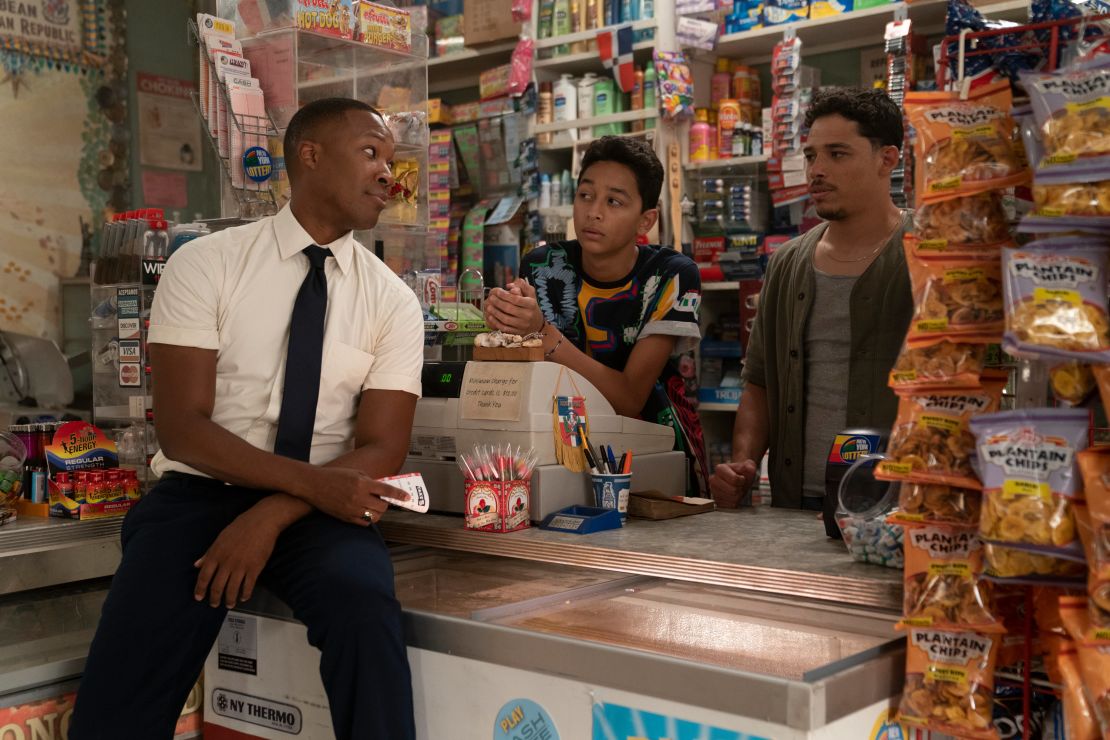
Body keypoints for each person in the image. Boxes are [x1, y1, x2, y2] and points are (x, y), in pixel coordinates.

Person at [70, 98, 424, 739]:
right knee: (117, 705)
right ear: (309, 157)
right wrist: (296, 492)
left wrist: (272, 512)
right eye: (371, 154)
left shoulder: (392, 302)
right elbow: (183, 428)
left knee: (364, 611)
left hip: (319, 511)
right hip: (201, 495)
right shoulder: (206, 265)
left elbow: (382, 446)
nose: (388, 176)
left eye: (390, 161)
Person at [709, 87, 913, 510]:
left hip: (895, 507)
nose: (817, 170)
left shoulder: (926, 254)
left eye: (837, 154)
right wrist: (743, 464)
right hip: (794, 503)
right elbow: (759, 383)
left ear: (887, 159)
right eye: (811, 155)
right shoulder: (787, 264)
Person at [484, 136, 708, 495]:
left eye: (614, 201)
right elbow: (526, 371)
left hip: (651, 455)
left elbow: (631, 398)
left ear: (646, 219)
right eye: (585, 195)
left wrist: (543, 334)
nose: (594, 212)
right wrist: (502, 320)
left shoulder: (670, 275)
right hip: (559, 447)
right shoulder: (543, 265)